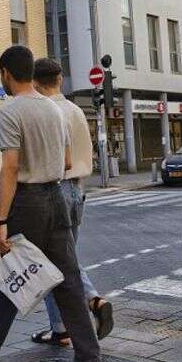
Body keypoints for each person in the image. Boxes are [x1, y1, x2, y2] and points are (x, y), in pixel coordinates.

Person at [0, 45, 102, 362]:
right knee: (70, 281)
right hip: (57, 199)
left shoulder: (10, 112)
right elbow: (66, 162)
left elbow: (10, 167)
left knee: (6, 272)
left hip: (27, 202)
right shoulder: (54, 109)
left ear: (6, 73)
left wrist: (0, 221)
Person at [30, 58, 113, 347]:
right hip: (78, 191)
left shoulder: (47, 112)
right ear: (60, 79)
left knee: (56, 261)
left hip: (55, 190)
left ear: (35, 83)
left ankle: (92, 301)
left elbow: (49, 161)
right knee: (61, 259)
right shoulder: (77, 111)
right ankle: (60, 327)